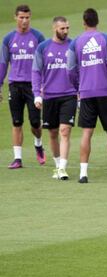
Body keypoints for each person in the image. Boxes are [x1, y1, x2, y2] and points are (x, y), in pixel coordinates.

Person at [67, 8, 107, 183]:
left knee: (87, 132)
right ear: (97, 21)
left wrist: (78, 87)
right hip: (105, 92)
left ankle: (83, 174)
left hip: (86, 92)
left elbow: (70, 70)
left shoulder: (75, 42)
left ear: (83, 22)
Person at [0, 4, 46, 169]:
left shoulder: (38, 37)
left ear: (30, 18)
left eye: (27, 17)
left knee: (35, 123)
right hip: (14, 85)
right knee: (16, 122)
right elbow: (3, 63)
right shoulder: (8, 39)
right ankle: (17, 158)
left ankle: (38, 144)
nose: (24, 21)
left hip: (33, 86)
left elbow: (44, 63)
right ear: (15, 17)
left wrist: (43, 85)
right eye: (21, 17)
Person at [32, 16, 77, 180]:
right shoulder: (43, 48)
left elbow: (79, 70)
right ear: (54, 29)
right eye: (62, 28)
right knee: (52, 133)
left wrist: (80, 92)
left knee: (65, 131)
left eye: (67, 28)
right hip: (49, 96)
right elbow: (36, 71)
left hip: (69, 95)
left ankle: (63, 168)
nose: (65, 31)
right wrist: (37, 94)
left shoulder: (73, 46)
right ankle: (57, 165)